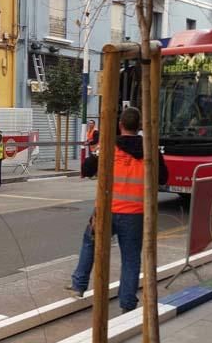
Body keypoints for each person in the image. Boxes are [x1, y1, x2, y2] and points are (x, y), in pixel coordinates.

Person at [66, 107, 168, 313]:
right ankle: (127, 302)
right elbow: (164, 178)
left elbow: (86, 169)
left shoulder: (108, 147)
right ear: (139, 126)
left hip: (106, 211)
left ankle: (79, 285)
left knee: (90, 243)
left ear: (121, 125)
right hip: (136, 213)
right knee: (130, 259)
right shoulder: (151, 150)